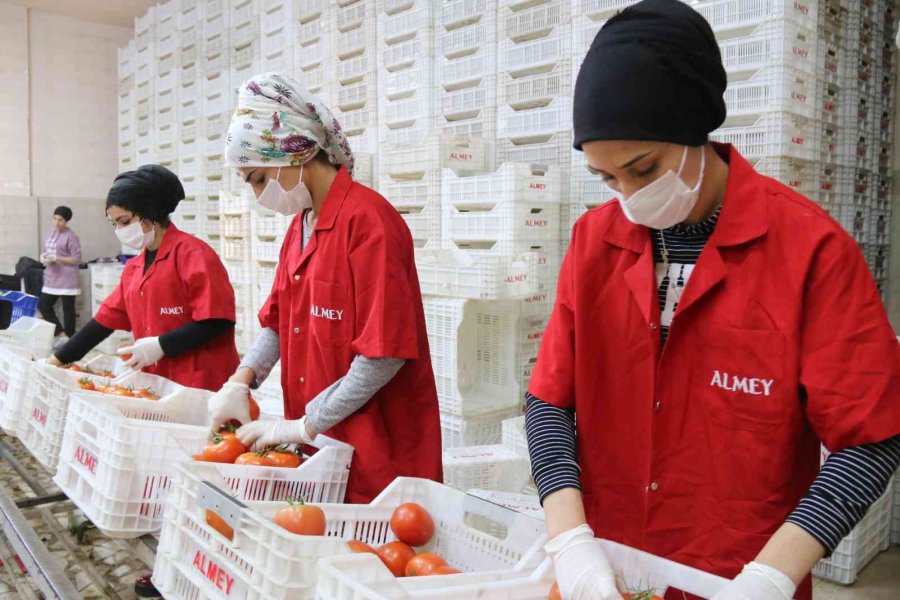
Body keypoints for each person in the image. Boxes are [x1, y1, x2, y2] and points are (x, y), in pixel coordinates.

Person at [525, 2, 900, 600]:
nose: (627, 196)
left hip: (733, 569)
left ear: (698, 131)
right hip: (612, 566)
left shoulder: (810, 251)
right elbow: (549, 401)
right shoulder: (594, 243)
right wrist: (569, 541)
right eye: (606, 178)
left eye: (643, 169)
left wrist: (770, 579)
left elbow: (870, 439)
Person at [208, 72, 442, 503]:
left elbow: (383, 354)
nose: (260, 194)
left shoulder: (369, 223)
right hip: (321, 442)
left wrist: (305, 424)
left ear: (292, 151)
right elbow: (278, 323)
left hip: (376, 448)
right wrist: (241, 381)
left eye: (259, 178)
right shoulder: (300, 226)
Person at [48, 165, 240, 391]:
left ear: (151, 214)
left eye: (125, 221)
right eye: (114, 223)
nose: (119, 230)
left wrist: (161, 345)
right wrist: (57, 360)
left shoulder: (194, 255)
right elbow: (105, 320)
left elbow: (217, 321)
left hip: (202, 383)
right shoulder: (135, 268)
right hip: (158, 382)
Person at [38, 206, 82, 342]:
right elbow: (45, 250)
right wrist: (44, 257)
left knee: (68, 309)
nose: (57, 222)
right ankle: (61, 333)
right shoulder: (48, 233)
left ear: (66, 221)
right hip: (52, 276)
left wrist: (57, 258)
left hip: (67, 278)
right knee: (43, 306)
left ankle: (70, 338)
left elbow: (76, 259)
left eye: (61, 220)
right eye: (55, 219)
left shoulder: (71, 237)